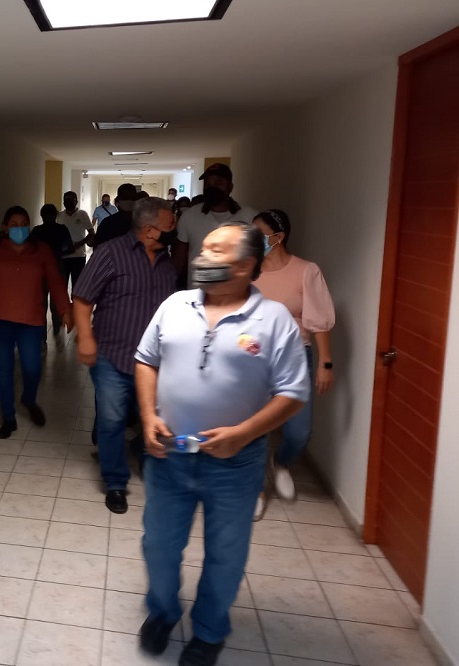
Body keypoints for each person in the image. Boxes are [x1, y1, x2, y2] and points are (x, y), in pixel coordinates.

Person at [133, 222, 309, 666]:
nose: (201, 257)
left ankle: (210, 631)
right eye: (204, 249)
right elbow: (146, 360)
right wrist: (149, 416)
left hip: (235, 463)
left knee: (226, 553)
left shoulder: (274, 320)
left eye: (215, 250)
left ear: (246, 264)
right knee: (159, 545)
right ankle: (162, 612)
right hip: (169, 454)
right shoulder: (175, 305)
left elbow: (293, 392)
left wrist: (243, 434)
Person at [73, 197, 178, 514]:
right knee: (112, 420)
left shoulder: (167, 260)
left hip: (155, 362)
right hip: (112, 355)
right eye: (170, 224)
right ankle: (115, 482)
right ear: (150, 229)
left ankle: (143, 453)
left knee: (151, 418)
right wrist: (86, 339)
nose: (175, 229)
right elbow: (82, 298)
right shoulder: (110, 253)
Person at [251, 209, 335, 519]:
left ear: (278, 237)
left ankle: (282, 463)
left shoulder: (306, 271)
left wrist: (325, 363)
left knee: (299, 431)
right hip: (255, 357)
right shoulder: (249, 269)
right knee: (256, 428)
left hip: (296, 356)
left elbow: (319, 320)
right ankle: (257, 489)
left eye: (259, 234)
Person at [0, 206, 73, 438]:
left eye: (24, 224)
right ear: (5, 228)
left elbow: (56, 281)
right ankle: (8, 418)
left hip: (31, 321)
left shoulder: (41, 250)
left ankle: (29, 400)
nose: (19, 229)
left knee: (32, 368)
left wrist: (65, 309)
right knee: (4, 371)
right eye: (14, 225)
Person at [174, 163, 257, 287]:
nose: (212, 188)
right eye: (207, 184)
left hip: (238, 293)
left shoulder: (250, 217)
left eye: (218, 183)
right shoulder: (189, 216)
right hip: (198, 293)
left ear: (230, 187)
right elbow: (179, 260)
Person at [31, 203, 74, 350]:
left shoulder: (37, 231)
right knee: (56, 304)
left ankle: (43, 338)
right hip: (56, 269)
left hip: (41, 271)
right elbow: (69, 248)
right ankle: (57, 332)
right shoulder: (61, 229)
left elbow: (30, 249)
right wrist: (57, 252)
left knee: (41, 306)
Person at [57, 190, 95, 290]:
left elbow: (92, 233)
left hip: (79, 256)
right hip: (63, 257)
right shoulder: (59, 216)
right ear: (63, 202)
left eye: (71, 199)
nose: (68, 201)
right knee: (62, 287)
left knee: (78, 288)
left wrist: (80, 243)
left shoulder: (82, 214)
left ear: (76, 201)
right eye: (66, 200)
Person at [94, 183, 140, 247]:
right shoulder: (144, 223)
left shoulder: (107, 223)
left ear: (117, 202)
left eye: (130, 198)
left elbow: (97, 248)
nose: (128, 201)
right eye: (125, 198)